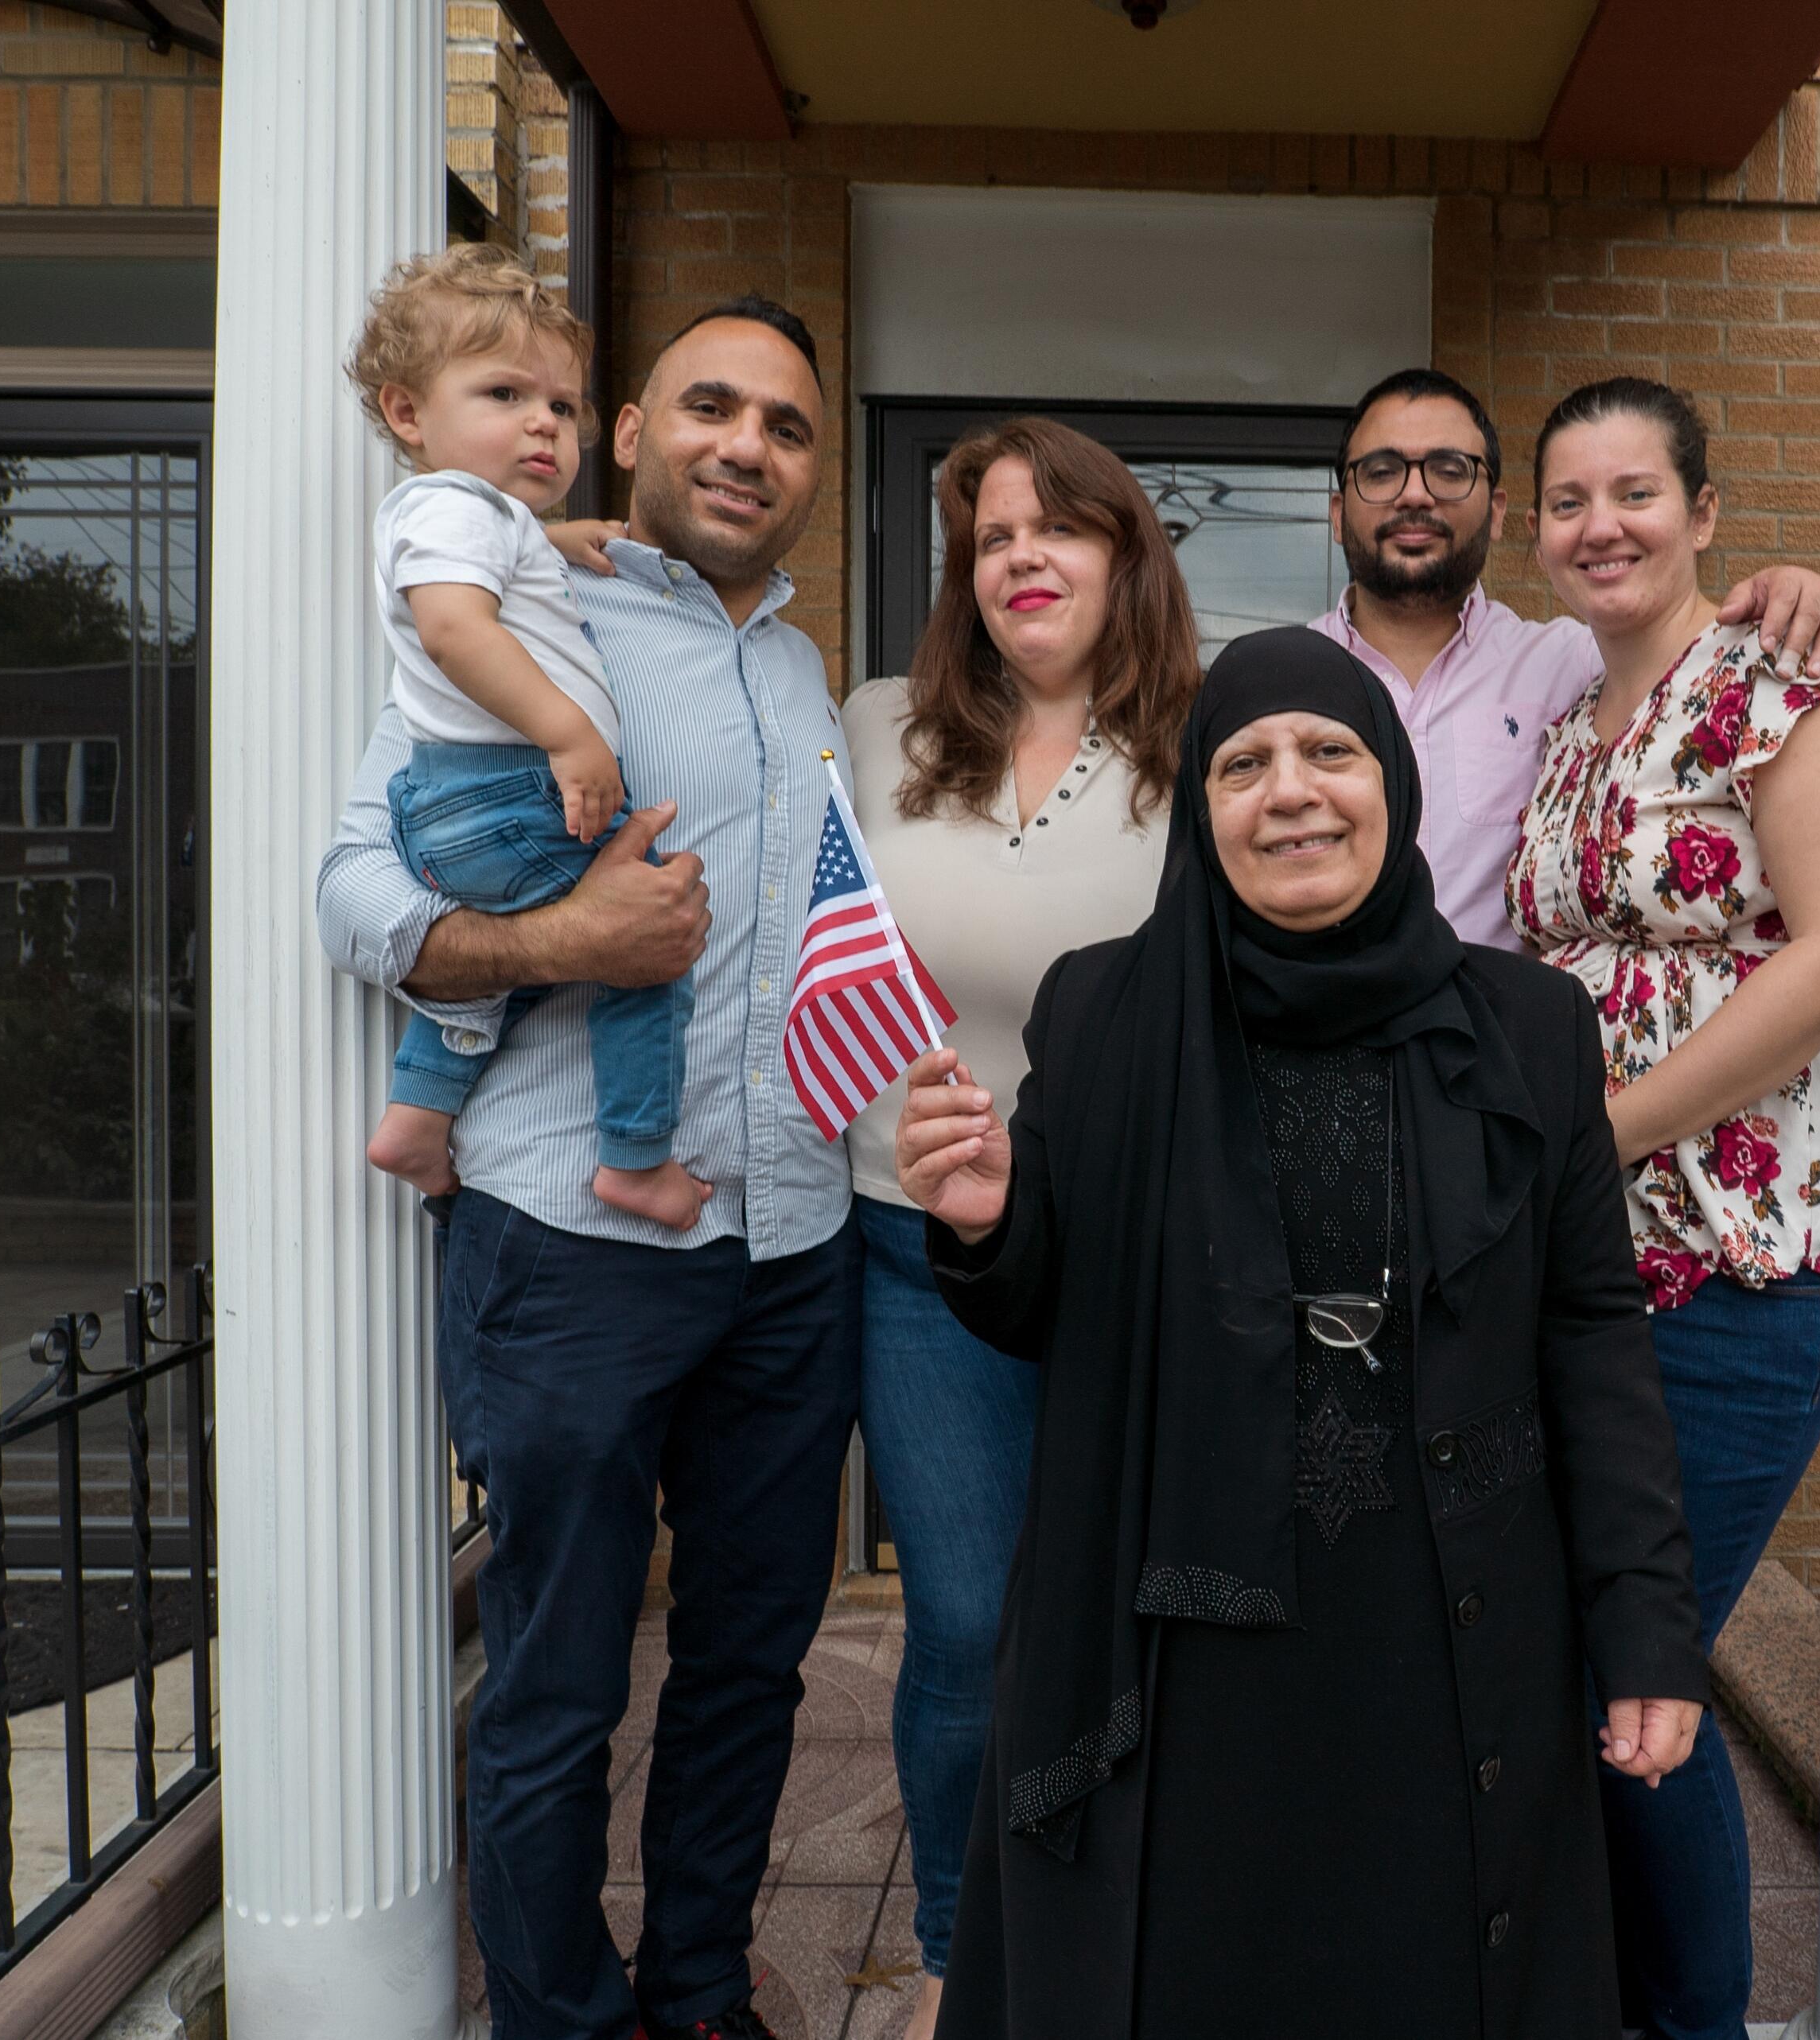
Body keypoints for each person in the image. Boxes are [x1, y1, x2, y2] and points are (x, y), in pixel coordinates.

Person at [897, 626, 1710, 2040]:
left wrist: (1645, 1631)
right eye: (1244, 763)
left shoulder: (1527, 1026)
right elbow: (1037, 1312)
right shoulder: (1103, 1007)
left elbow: (1592, 1339)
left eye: (1330, 752)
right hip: (1192, 1655)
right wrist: (980, 1221)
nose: (1291, 791)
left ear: (1390, 784)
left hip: (1450, 1630)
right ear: (1202, 814)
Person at [316, 294, 851, 2040]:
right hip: (574, 1245)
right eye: (709, 406)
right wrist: (565, 938)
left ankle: (700, 1991)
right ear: (629, 429)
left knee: (747, 1666)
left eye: (782, 425)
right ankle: (559, 2015)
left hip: (793, 1239)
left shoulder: (800, 664)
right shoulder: (531, 609)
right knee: (555, 1680)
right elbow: (359, 893)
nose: (743, 447)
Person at [1503, 377, 1820, 2040]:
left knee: (1638, 1675)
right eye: (1570, 499)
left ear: (1702, 511)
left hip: (1740, 1270)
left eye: (1635, 492)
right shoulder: (1568, 737)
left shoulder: (1782, 686)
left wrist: (1599, 1136)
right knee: (1571, 1663)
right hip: (1580, 1264)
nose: (1601, 524)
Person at [838, 418, 1199, 2039]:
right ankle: (950, 1951)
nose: (1023, 560)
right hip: (918, 1245)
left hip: (1142, 1252)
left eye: (1060, 529)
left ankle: (1136, 1938)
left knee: (1150, 1607)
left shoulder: (1207, 741)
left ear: (1125, 554)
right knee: (973, 1615)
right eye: (991, 537)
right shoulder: (879, 729)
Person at [343, 245, 708, 1232]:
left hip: (456, 800)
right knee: (648, 941)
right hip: (508, 787)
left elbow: (474, 568)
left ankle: (418, 1117)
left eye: (562, 405)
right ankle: (635, 1157)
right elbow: (459, 628)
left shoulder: (466, 515)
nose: (544, 423)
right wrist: (572, 736)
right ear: (407, 412)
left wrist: (552, 538)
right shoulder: (451, 507)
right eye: (505, 393)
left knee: (490, 978)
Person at [1312, 366, 1820, 951]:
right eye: (1381, 472)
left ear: (1500, 514)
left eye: (1450, 471)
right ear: (1338, 512)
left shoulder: (1581, 664)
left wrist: (1799, 590)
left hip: (1503, 1037)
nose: (1415, 493)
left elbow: (1686, 637)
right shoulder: (1280, 685)